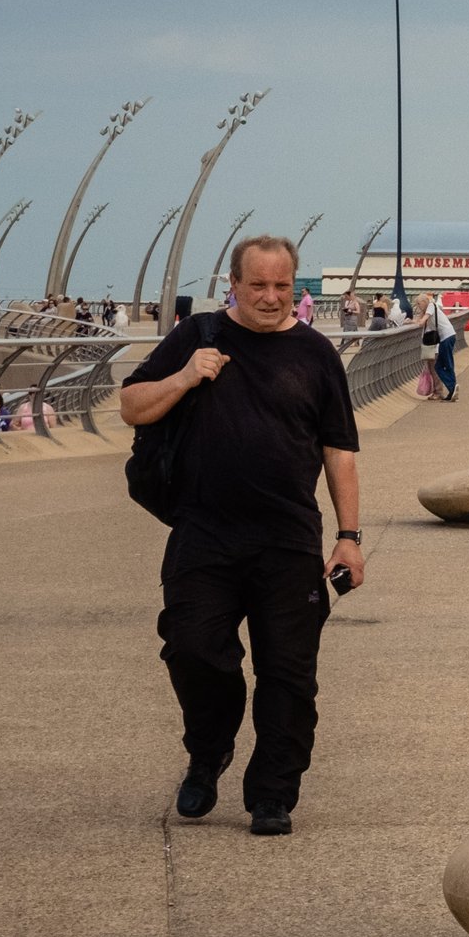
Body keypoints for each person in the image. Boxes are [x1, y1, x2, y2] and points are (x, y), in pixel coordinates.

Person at [120, 235, 363, 838]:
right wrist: (184, 377)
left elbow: (339, 451)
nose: (272, 297)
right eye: (259, 285)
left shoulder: (314, 354)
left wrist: (349, 536)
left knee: (288, 675)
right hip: (204, 535)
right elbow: (129, 405)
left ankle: (272, 794)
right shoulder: (197, 337)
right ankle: (209, 750)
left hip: (287, 541)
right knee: (192, 648)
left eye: (283, 286)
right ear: (234, 282)